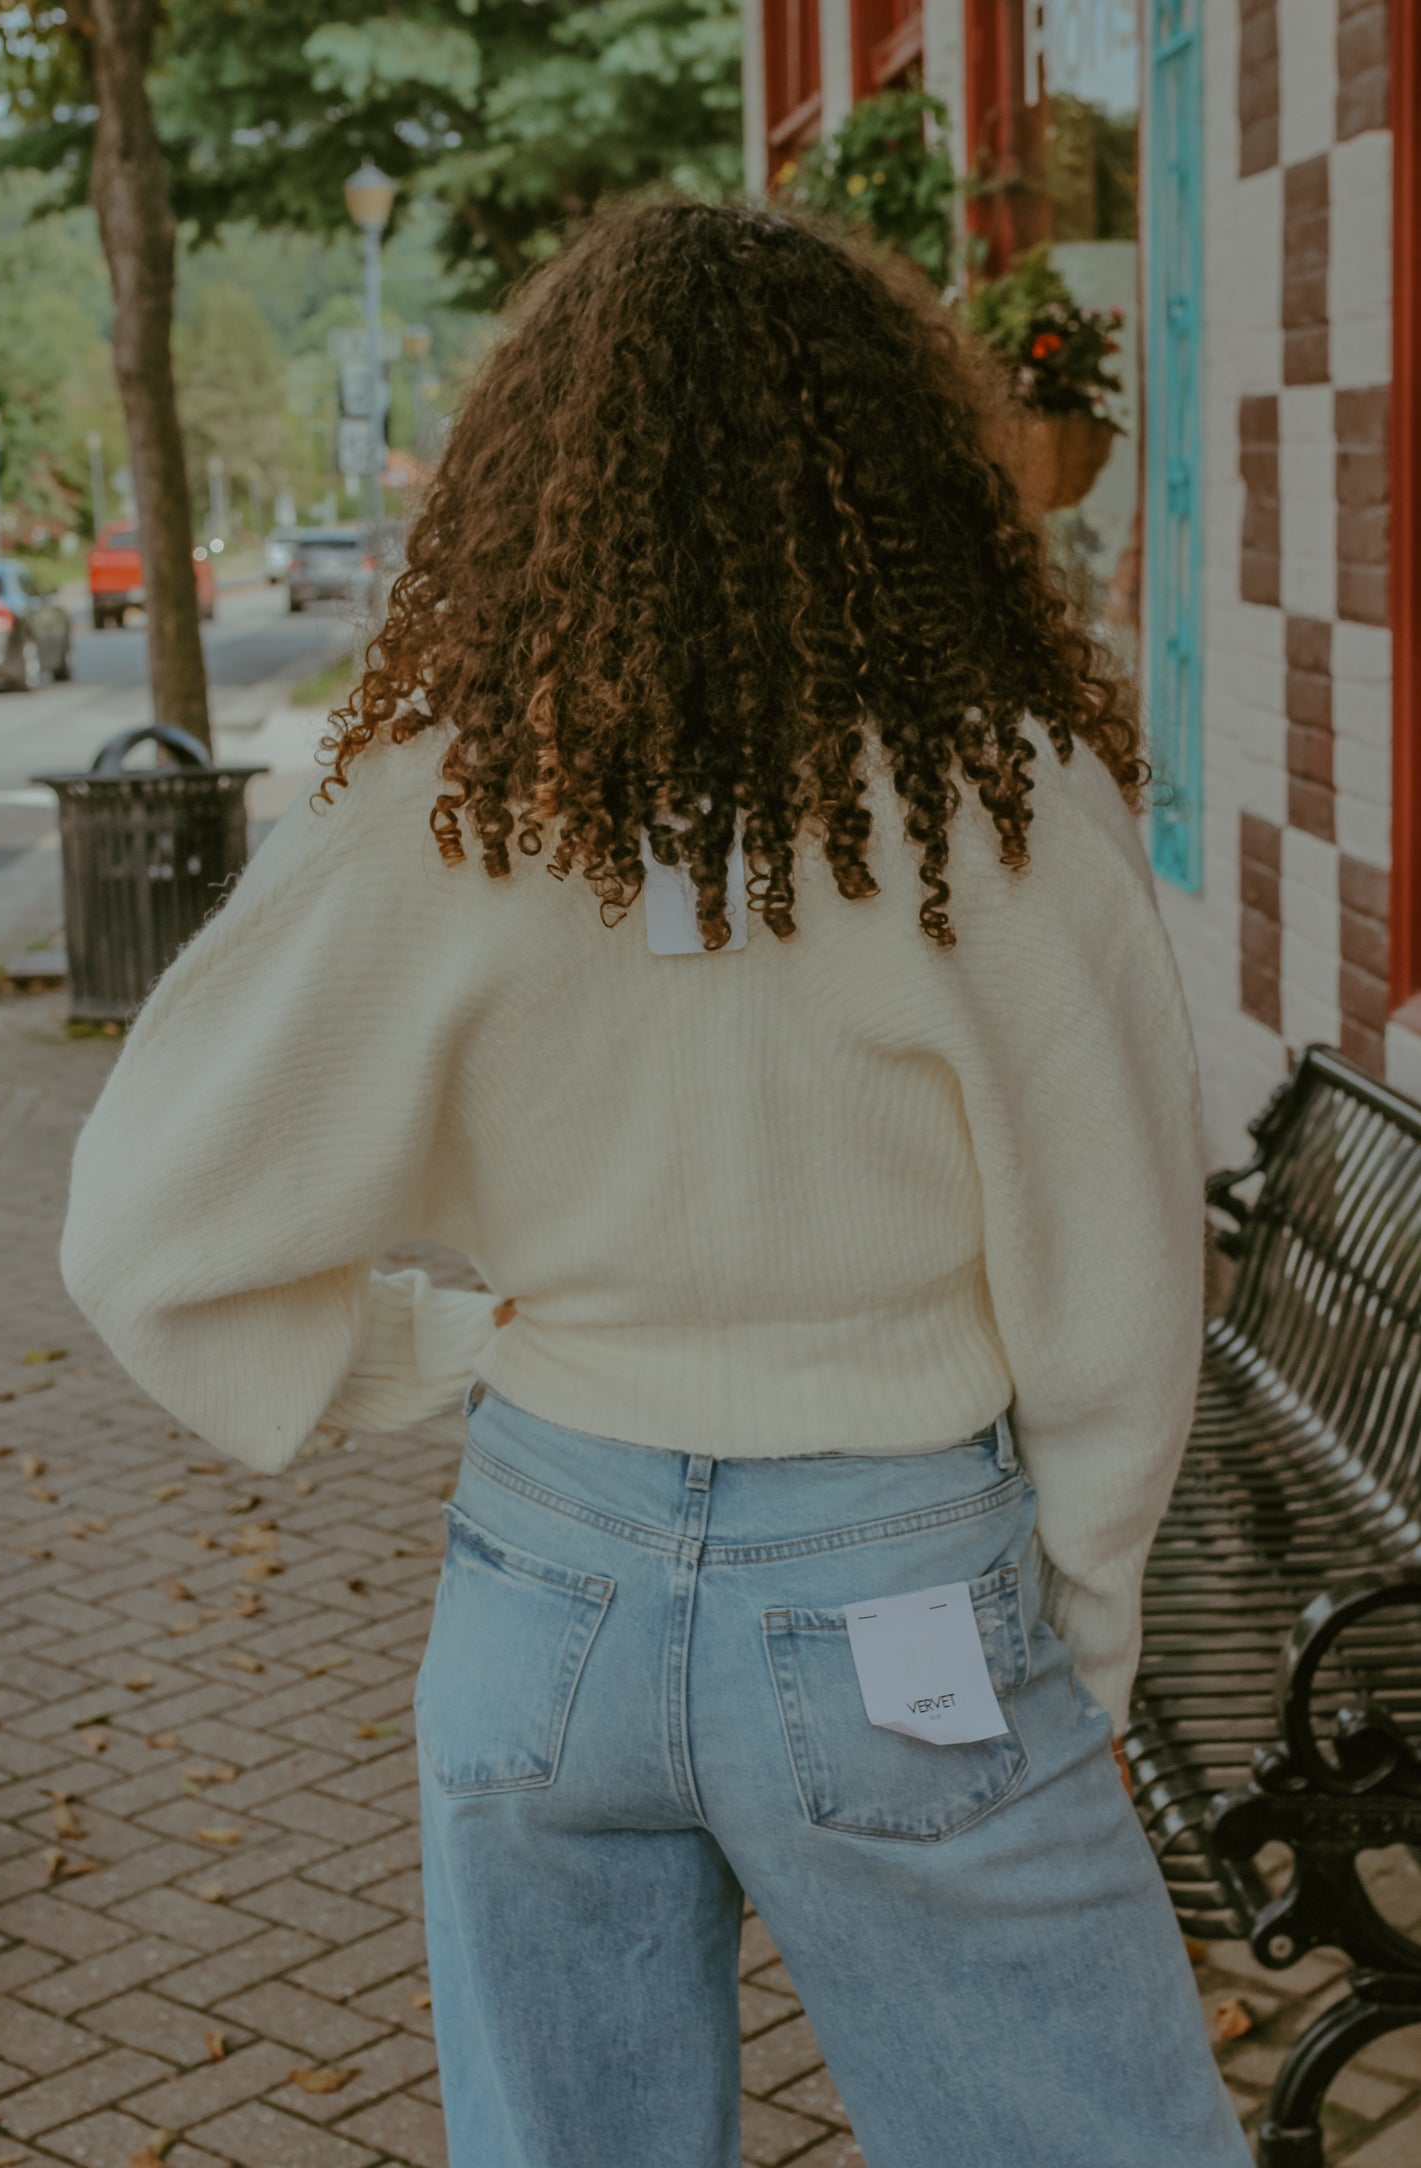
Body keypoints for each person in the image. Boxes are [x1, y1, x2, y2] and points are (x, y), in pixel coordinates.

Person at [60, 203, 1251, 2168]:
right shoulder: (1001, 796)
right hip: (903, 1606)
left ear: (542, 475)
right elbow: (1124, 1282)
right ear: (897, 465)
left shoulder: (445, 793)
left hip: (546, 1594)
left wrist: (422, 1348)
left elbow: (135, 1229)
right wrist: (1087, 1641)